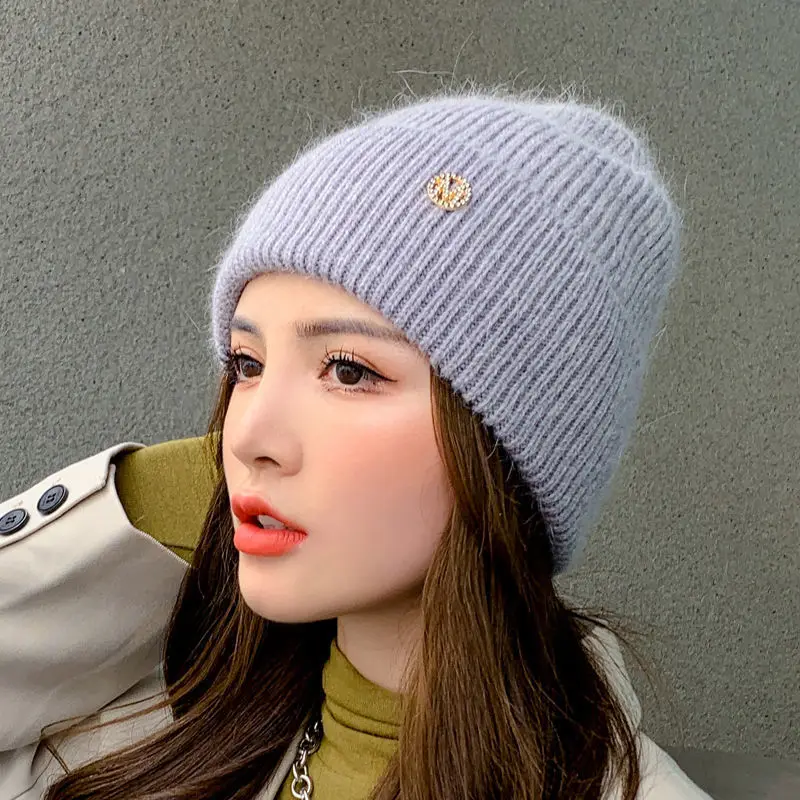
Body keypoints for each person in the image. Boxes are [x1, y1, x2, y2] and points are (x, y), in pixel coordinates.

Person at [0, 83, 714, 799]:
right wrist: (142, 500)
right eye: (247, 365)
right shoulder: (141, 747)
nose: (244, 435)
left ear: (510, 447)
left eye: (348, 370)